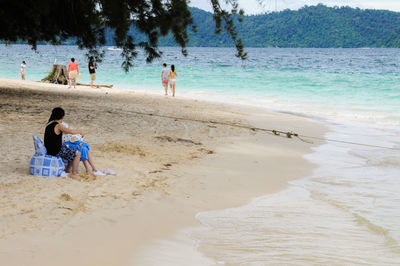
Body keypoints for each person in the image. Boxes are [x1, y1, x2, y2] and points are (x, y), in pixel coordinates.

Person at [44, 107, 103, 178]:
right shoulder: (58, 125)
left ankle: (68, 170)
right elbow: (70, 131)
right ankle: (74, 173)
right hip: (55, 151)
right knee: (77, 153)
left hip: (49, 149)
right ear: (62, 117)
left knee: (72, 149)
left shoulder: (49, 124)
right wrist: (80, 132)